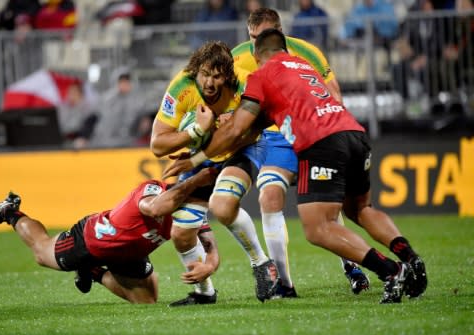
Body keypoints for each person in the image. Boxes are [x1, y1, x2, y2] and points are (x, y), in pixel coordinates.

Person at [164, 28, 428, 304]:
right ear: (286, 50)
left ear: (256, 55)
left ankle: (391, 271)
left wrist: (194, 158)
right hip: (354, 133)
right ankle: (410, 257)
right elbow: (261, 126)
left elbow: (235, 131)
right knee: (360, 209)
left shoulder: (261, 76)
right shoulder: (303, 65)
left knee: (317, 229)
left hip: (321, 144)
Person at [231, 7, 369, 297]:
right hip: (276, 138)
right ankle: (285, 284)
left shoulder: (306, 51)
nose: (256, 44)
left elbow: (334, 93)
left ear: (279, 32)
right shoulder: (238, 58)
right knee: (268, 195)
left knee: (326, 205)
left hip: (313, 133)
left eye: (262, 36)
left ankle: (353, 267)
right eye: (252, 37)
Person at [151, 41, 279, 305]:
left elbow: (254, 130)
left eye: (217, 76)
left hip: (243, 148)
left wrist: (216, 140)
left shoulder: (244, 84)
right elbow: (157, 145)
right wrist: (196, 132)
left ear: (228, 75)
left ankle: (261, 263)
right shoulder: (181, 87)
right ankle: (204, 293)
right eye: (205, 74)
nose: (210, 83)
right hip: (201, 156)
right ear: (196, 70)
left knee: (222, 206)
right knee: (181, 233)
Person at [0, 167, 220, 304]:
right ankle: (12, 211)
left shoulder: (193, 212)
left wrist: (209, 266)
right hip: (93, 239)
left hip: (129, 254)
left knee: (147, 300)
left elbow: (210, 246)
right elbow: (155, 209)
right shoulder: (154, 189)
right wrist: (195, 181)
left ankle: (93, 271)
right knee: (42, 251)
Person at [90, 70, 151, 148]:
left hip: (132, 143)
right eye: (122, 82)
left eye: (127, 82)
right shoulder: (107, 99)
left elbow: (145, 120)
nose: (124, 85)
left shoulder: (140, 100)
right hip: (106, 143)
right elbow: (98, 120)